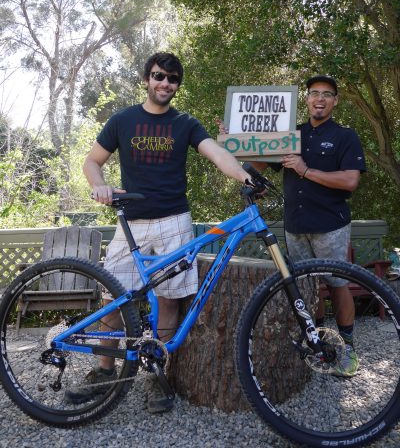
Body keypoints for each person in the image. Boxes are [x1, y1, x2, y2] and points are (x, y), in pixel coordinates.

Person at [66, 52, 250, 412]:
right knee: (112, 299)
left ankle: (154, 374)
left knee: (168, 300)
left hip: (173, 220)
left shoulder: (185, 123)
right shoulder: (123, 119)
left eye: (172, 78)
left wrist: (246, 176)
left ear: (177, 85)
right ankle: (105, 371)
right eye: (158, 76)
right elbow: (92, 161)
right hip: (131, 221)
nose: (164, 83)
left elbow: (215, 153)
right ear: (146, 79)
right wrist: (99, 185)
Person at [219, 74, 366, 377]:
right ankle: (320, 340)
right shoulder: (291, 133)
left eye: (327, 94)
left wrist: (305, 169)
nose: (320, 99)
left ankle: (348, 347)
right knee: (308, 287)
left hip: (330, 225)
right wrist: (236, 140)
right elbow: (259, 162)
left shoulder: (344, 136)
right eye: (315, 93)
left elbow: (350, 180)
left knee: (337, 284)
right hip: (295, 225)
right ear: (308, 99)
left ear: (334, 101)